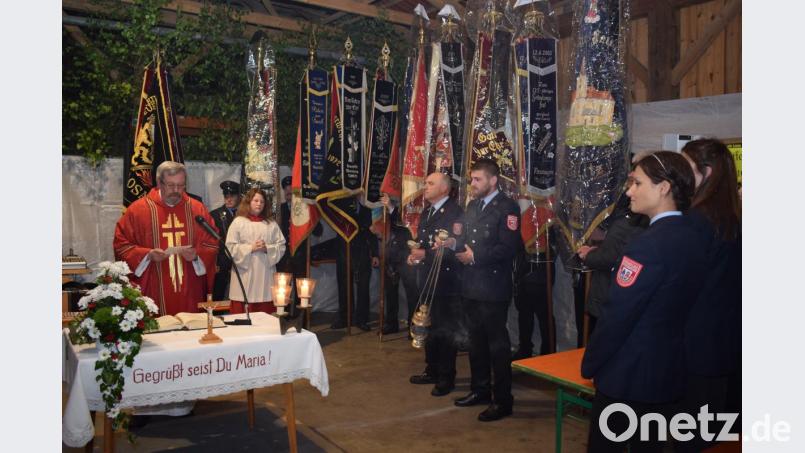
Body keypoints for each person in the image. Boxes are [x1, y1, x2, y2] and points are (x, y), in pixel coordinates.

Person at [581, 151, 711, 452]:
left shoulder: (646, 246)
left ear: (663, 187)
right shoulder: (696, 237)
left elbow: (618, 315)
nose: (629, 192)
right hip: (666, 372)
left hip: (627, 376)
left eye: (637, 183)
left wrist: (592, 362)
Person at [677, 139, 742, 451]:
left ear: (707, 173)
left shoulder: (697, 221)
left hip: (697, 343)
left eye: (687, 168)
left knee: (692, 434)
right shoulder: (730, 217)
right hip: (724, 342)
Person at [453, 159, 523, 422]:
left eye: (477, 179)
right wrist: (452, 243)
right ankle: (480, 390)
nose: (472, 184)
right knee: (476, 342)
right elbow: (464, 238)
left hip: (493, 288)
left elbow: (508, 248)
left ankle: (502, 400)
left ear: (493, 180)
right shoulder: (472, 205)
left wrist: (475, 256)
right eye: (472, 179)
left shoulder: (508, 208)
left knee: (497, 346)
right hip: (471, 285)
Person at [114, 161, 218, 316]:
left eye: (181, 185)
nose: (176, 191)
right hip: (153, 287)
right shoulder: (138, 211)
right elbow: (121, 245)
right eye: (171, 185)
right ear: (159, 183)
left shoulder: (197, 209)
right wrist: (147, 255)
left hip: (189, 288)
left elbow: (212, 242)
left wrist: (197, 255)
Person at [405, 172, 464, 397]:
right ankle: (432, 368)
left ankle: (446, 376)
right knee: (428, 324)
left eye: (430, 183)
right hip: (427, 278)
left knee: (446, 330)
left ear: (444, 188)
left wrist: (424, 255)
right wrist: (414, 255)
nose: (425, 186)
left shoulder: (454, 213)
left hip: (447, 282)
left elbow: (451, 250)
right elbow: (423, 241)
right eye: (425, 183)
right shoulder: (429, 211)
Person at [577, 192, 648, 336]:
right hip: (614, 296)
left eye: (638, 183)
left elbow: (610, 257)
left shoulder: (632, 221)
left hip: (610, 294)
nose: (630, 190)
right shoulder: (633, 217)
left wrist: (589, 255)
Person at [225, 188, 286, 314]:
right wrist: (250, 248)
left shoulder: (271, 224)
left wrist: (267, 248)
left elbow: (281, 246)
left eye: (262, 202)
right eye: (256, 200)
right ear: (248, 202)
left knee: (266, 309)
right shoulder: (238, 222)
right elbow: (229, 247)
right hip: (244, 274)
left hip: (265, 273)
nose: (259, 204)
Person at [331, 196, 379, 331]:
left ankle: (362, 319)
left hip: (362, 252)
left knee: (363, 288)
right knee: (344, 286)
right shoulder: (339, 208)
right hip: (343, 252)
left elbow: (372, 233)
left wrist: (375, 254)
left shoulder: (367, 209)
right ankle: (344, 318)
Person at [378, 194, 420, 335]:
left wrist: (391, 207)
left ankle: (413, 327)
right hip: (393, 252)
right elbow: (396, 221)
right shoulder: (401, 201)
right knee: (390, 292)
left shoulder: (421, 202)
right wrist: (390, 206)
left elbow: (408, 221)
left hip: (410, 254)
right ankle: (391, 324)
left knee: (412, 293)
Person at [209, 180, 241, 301]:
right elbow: (211, 241)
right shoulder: (214, 215)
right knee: (219, 294)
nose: (228, 199)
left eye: (232, 196)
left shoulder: (244, 215)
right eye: (226, 196)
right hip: (222, 262)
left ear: (239, 196)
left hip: (240, 259)